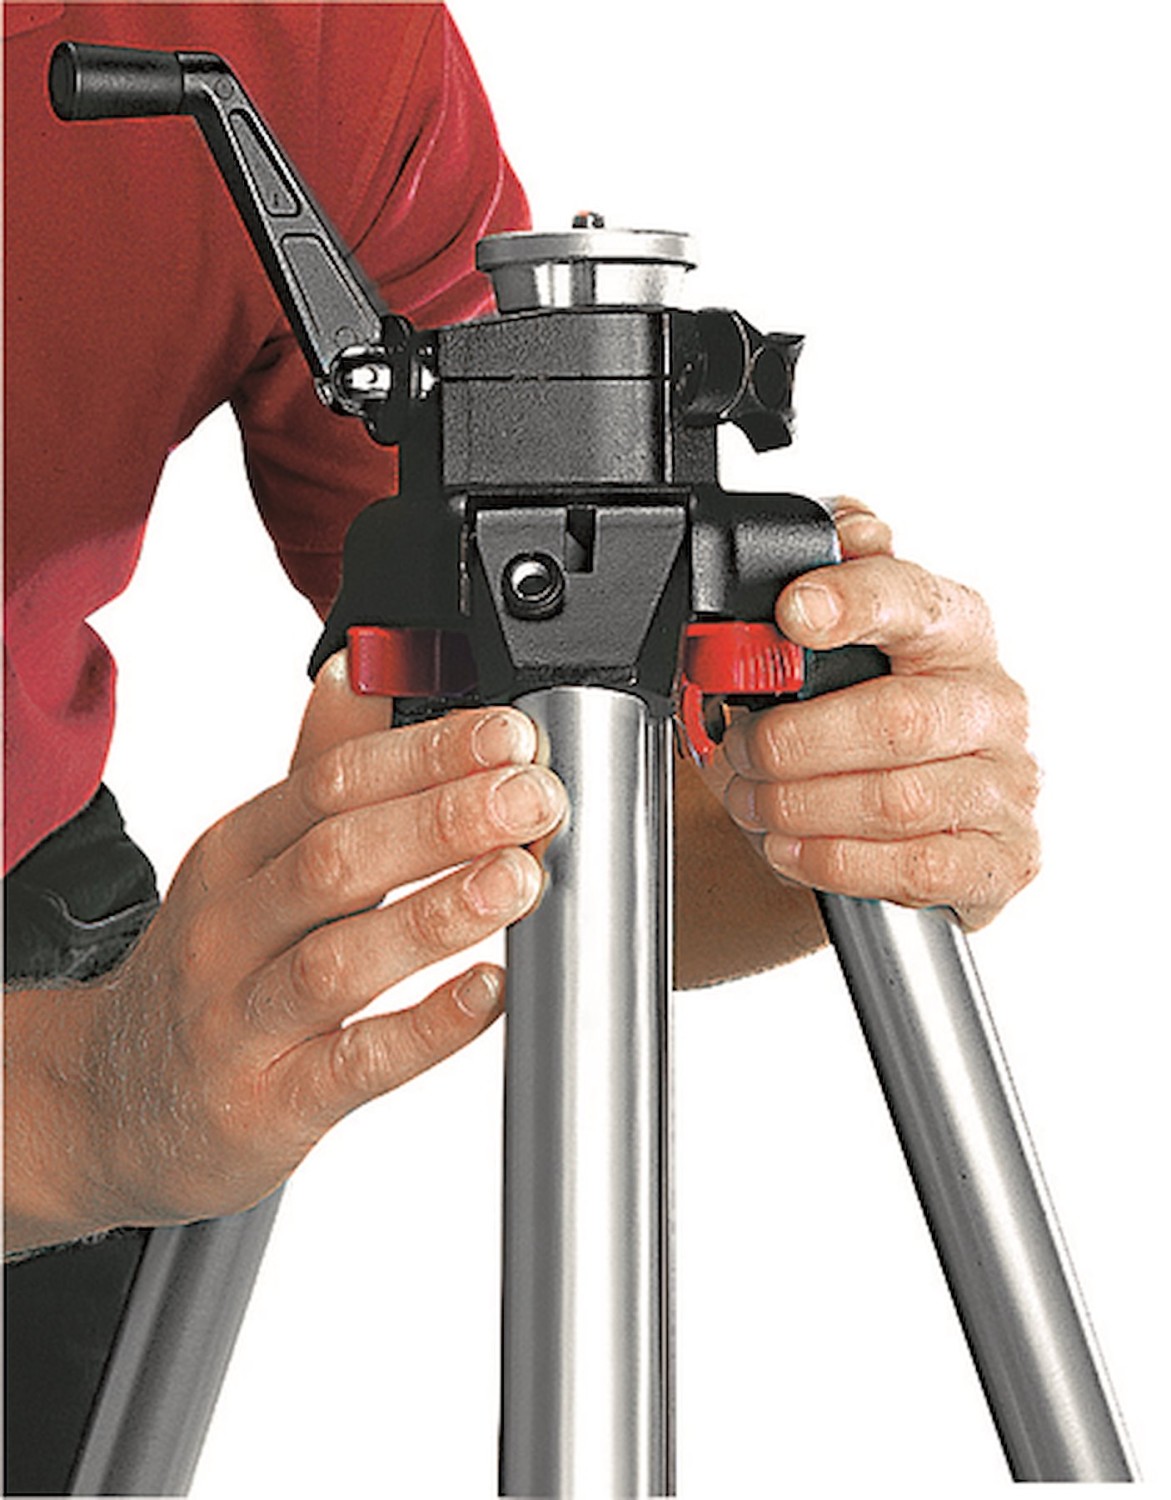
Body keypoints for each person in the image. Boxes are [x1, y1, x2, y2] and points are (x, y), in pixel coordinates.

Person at [4, 2, 1038, 1258]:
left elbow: (502, 773)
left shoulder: (316, 41)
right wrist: (66, 1115)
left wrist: (840, 811)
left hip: (35, 904)